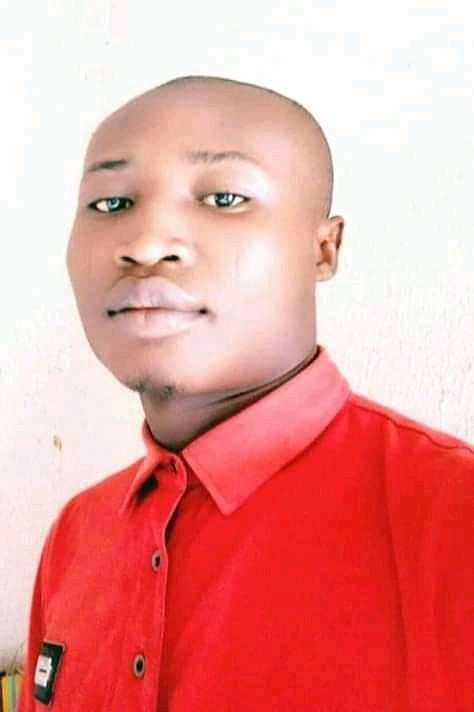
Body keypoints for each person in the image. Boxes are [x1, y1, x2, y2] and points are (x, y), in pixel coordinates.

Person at [19, 76, 473, 712]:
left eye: (224, 198)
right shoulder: (77, 535)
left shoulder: (451, 520)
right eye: (111, 203)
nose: (146, 245)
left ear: (323, 249)